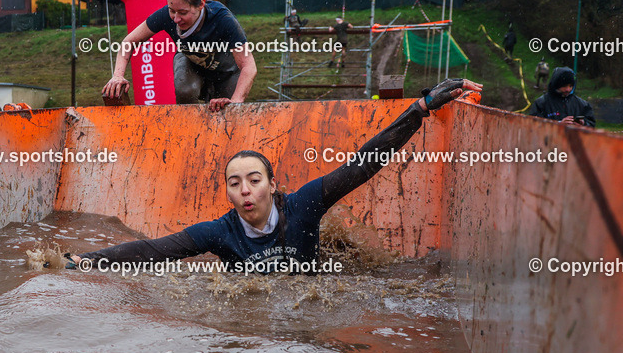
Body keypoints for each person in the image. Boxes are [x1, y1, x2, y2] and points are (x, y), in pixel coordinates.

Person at [67, 78, 483, 273]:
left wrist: (419, 109)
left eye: (254, 179)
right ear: (228, 194)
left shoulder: (303, 205)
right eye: (235, 183)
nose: (246, 190)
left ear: (272, 185)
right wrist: (83, 263)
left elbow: (363, 164)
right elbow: (154, 250)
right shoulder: (220, 233)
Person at [102, 0, 256, 112]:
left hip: (225, 72)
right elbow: (128, 42)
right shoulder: (166, 16)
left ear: (201, 4)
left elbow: (249, 66)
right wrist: (117, 76)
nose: (176, 18)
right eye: (172, 10)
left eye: (183, 13)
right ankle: (188, 129)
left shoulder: (222, 19)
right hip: (192, 66)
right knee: (185, 90)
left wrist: (236, 102)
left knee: (226, 113)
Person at [529, 67, 595, 126]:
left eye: (571, 86)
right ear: (556, 85)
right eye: (564, 86)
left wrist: (583, 123)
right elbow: (534, 126)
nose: (568, 89)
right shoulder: (541, 103)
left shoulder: (582, 104)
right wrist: (558, 125)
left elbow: (591, 124)